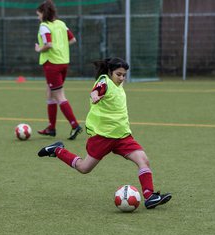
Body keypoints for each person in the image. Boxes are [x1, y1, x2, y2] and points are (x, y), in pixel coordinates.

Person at [37, 57, 172, 209]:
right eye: (118, 74)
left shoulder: (118, 86)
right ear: (110, 72)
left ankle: (149, 197)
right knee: (84, 168)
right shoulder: (104, 81)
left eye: (123, 75)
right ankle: (57, 150)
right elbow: (96, 91)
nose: (121, 78)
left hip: (122, 136)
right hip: (102, 137)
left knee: (143, 160)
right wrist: (95, 95)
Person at [35, 0, 82, 140]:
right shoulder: (61, 24)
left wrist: (39, 49)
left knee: (59, 96)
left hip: (52, 64)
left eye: (38, 15)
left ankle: (75, 125)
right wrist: (61, 46)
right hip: (63, 63)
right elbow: (73, 40)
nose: (38, 17)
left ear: (43, 14)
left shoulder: (44, 26)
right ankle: (51, 128)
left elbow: (48, 44)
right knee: (50, 94)